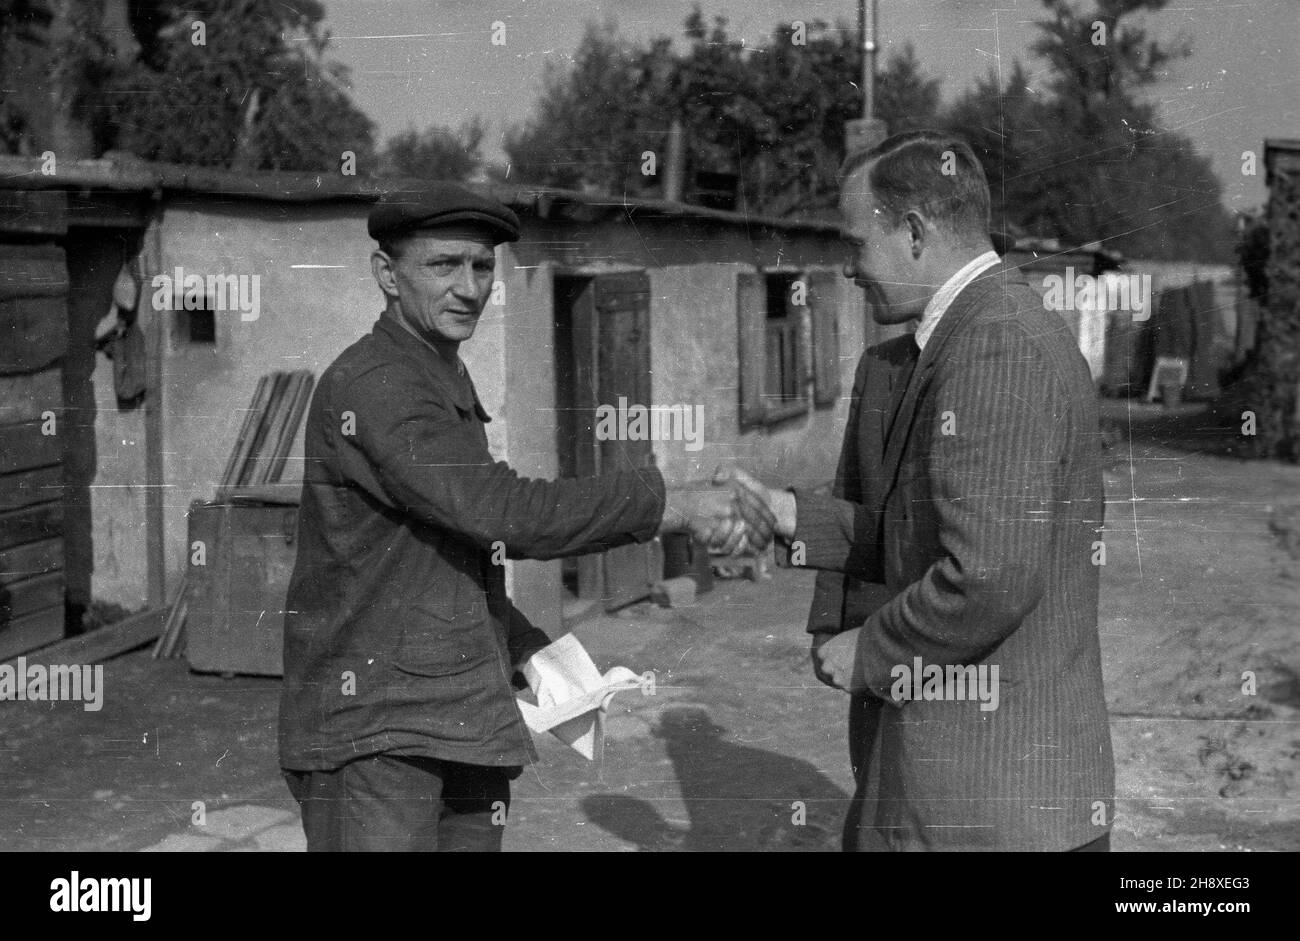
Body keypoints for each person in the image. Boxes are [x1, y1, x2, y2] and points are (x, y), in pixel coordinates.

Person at [278, 182, 772, 851]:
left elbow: (436, 553)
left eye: (482, 266)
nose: (470, 287)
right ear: (386, 276)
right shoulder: (378, 384)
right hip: (377, 737)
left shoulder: (434, 375)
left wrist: (520, 644)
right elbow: (501, 511)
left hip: (455, 720)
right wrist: (673, 502)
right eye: (443, 265)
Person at [729, 130, 1115, 851]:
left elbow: (989, 575)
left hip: (988, 809)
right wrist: (792, 515)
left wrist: (870, 649)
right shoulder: (970, 335)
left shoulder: (994, 345)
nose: (850, 269)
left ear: (913, 232)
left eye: (857, 244)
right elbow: (928, 533)